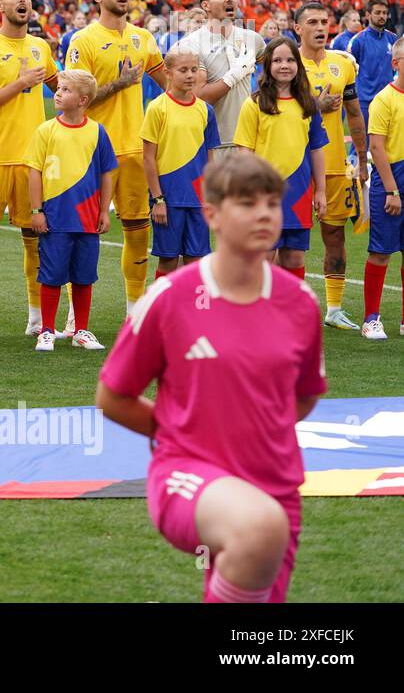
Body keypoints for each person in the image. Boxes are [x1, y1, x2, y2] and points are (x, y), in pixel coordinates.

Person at [97, 153, 327, 604]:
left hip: (276, 482)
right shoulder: (170, 298)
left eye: (272, 203)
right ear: (212, 215)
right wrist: (181, 432)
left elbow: (302, 397)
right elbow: (113, 396)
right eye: (246, 203)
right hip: (186, 472)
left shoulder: (299, 301)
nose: (263, 214)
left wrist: (256, 427)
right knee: (258, 529)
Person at [65, 0, 166, 322]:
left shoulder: (144, 38)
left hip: (137, 149)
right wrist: (119, 85)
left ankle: (134, 310)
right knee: (81, 231)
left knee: (138, 232)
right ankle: (76, 317)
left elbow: (170, 84)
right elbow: (73, 99)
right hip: (92, 150)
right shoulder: (84, 40)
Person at [0, 0, 58, 339]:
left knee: (36, 240)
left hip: (34, 161)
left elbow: (63, 88)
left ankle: (37, 317)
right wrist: (20, 83)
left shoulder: (41, 47)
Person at [25, 70, 117, 351]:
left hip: (87, 218)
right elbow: (34, 172)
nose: (58, 93)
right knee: (51, 276)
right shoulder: (46, 130)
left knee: (84, 276)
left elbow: (107, 173)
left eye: (65, 90)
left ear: (83, 100)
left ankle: (81, 330)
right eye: (59, 88)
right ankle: (47, 330)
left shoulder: (97, 131)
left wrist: (104, 211)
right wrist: (37, 210)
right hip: (56, 217)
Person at [295, 2, 368, 331]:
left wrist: (361, 160)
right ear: (298, 28)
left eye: (324, 21)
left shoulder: (343, 64)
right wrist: (314, 105)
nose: (320, 27)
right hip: (294, 164)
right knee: (286, 241)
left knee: (334, 235)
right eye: (312, 22)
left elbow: (354, 113)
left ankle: (335, 308)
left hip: (336, 163)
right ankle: (283, 307)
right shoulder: (285, 61)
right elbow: (268, 108)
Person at [233, 38, 328, 278]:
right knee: (264, 255)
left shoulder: (308, 105)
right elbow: (244, 151)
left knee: (294, 257)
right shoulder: (254, 104)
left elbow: (316, 149)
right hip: (264, 195)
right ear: (267, 66)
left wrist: (321, 191)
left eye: (289, 60)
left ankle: (290, 314)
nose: (284, 65)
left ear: (298, 65)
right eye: (277, 60)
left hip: (299, 192)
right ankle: (258, 313)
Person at [142, 49, 221, 279]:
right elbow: (148, 158)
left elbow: (209, 157)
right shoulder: (158, 108)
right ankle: (164, 312)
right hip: (168, 198)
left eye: (194, 70)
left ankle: (193, 312)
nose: (190, 75)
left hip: (197, 199)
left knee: (195, 260)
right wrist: (157, 199)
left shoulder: (206, 110)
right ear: (167, 72)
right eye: (183, 70)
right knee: (168, 259)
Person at [175, 0, 265, 152]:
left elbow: (276, 74)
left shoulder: (253, 39)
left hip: (252, 141)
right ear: (206, 5)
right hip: (213, 145)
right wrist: (234, 75)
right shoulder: (191, 45)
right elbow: (198, 97)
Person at [361, 38, 404, 340]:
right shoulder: (384, 99)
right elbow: (376, 147)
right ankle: (371, 319)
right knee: (381, 253)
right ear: (396, 63)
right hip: (391, 181)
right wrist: (391, 191)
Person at [349, 0, 400, 120]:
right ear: (368, 15)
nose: (382, 16)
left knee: (392, 139)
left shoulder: (393, 39)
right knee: (367, 139)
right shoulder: (358, 41)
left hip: (390, 100)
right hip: (366, 102)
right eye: (377, 13)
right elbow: (350, 70)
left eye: (384, 13)